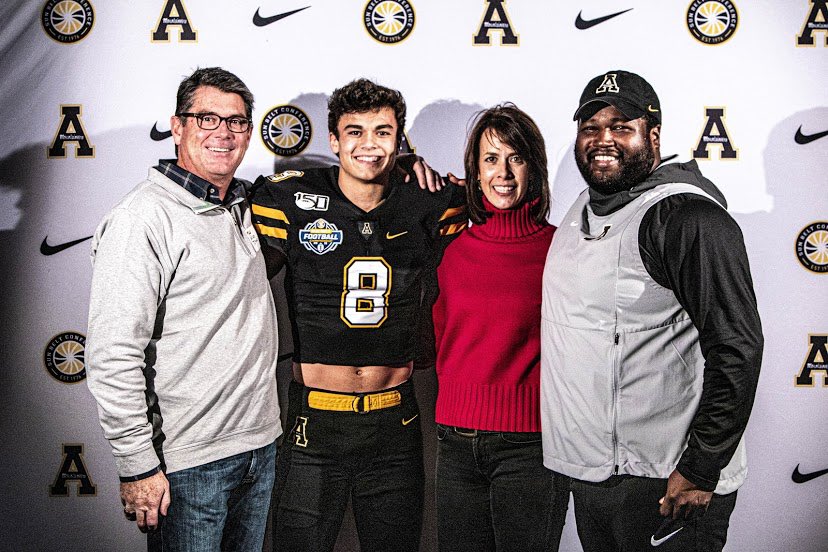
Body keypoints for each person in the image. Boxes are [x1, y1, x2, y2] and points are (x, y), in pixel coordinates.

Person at [540, 69, 763, 551]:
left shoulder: (686, 217)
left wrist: (701, 467)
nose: (603, 140)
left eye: (621, 126)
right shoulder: (585, 207)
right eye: (591, 127)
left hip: (667, 484)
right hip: (598, 478)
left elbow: (737, 348)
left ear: (653, 135)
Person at [250, 78, 466, 552]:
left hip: (396, 419)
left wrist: (432, 174)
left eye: (383, 132)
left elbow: (499, 212)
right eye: (355, 131)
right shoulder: (290, 198)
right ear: (333, 140)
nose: (369, 144)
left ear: (400, 138)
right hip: (314, 419)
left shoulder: (430, 202)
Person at [86, 67, 281, 551]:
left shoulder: (243, 204)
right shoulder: (143, 218)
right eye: (207, 119)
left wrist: (407, 169)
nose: (224, 133)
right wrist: (138, 466)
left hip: (258, 447)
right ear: (178, 127)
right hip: (188, 464)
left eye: (237, 122)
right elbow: (112, 355)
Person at [431, 104, 570, 552]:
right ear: (473, 171)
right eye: (490, 159)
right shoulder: (450, 246)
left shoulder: (562, 250)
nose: (503, 172)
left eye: (516, 157)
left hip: (530, 446)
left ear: (534, 167)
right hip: (454, 441)